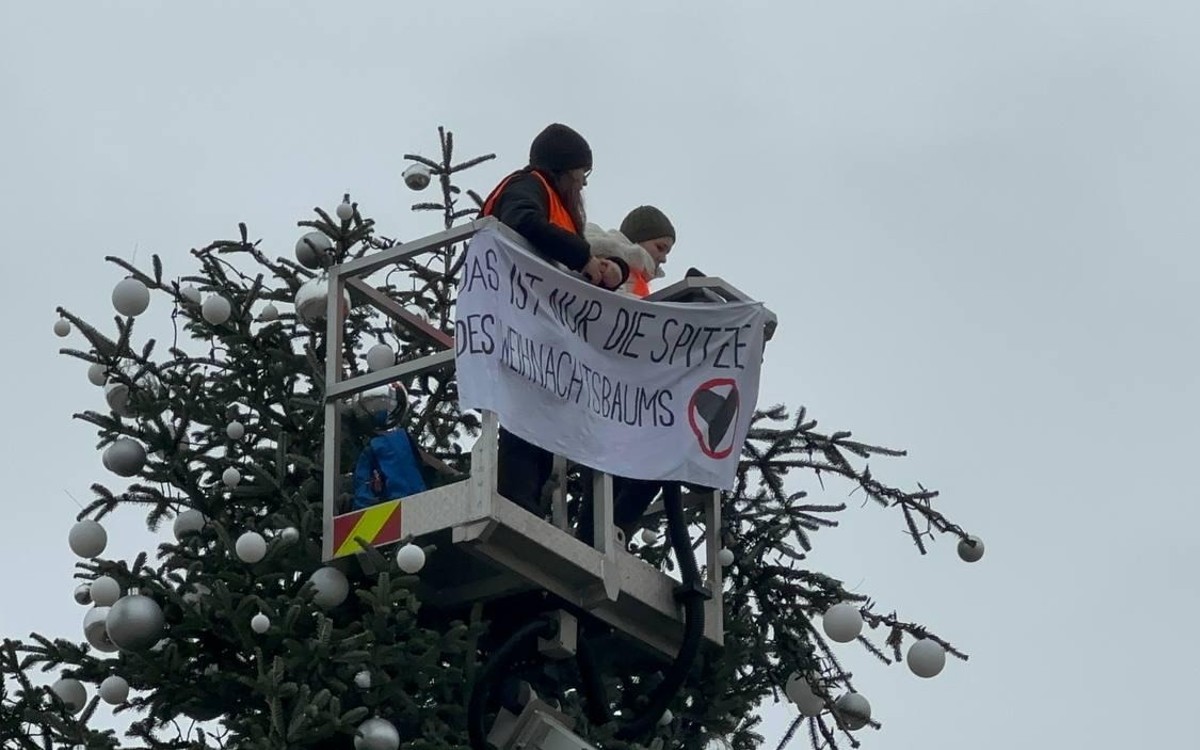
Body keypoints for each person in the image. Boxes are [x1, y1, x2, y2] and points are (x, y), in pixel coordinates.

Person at [479, 123, 626, 513]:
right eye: (581, 174)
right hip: (517, 329)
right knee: (522, 429)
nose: (583, 185)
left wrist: (609, 271)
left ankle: (529, 506)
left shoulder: (555, 202)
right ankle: (517, 506)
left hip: (541, 338)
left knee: (538, 427)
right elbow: (521, 221)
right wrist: (583, 258)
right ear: (563, 170)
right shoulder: (529, 186)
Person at [584, 205, 677, 298]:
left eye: (666, 253)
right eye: (660, 247)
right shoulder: (600, 259)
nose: (664, 259)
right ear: (639, 238)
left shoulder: (639, 280)